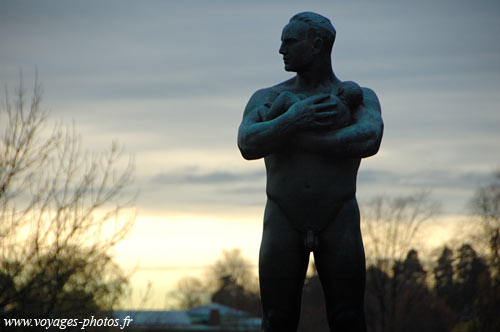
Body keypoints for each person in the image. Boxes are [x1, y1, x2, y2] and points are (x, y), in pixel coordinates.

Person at [237, 12, 383, 332]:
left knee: (348, 317)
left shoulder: (357, 98)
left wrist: (301, 136)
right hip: (282, 217)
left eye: (289, 42)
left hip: (338, 217)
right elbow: (247, 142)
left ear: (317, 45)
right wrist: (291, 120)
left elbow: (370, 137)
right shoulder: (269, 98)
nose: (281, 50)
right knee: (277, 319)